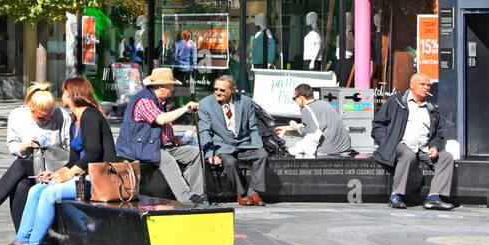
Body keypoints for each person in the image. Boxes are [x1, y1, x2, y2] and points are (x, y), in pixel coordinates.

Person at [0, 76, 117, 245]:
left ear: (72, 94)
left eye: (65, 91)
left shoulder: (90, 115)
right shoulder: (76, 120)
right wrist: (56, 173)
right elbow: (73, 159)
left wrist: (67, 174)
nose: (62, 95)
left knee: (49, 194)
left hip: (100, 180)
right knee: (36, 189)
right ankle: (20, 242)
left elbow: (94, 153)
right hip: (82, 177)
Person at [0, 82, 72, 227]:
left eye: (50, 115)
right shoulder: (17, 115)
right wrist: (26, 145)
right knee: (20, 184)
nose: (47, 120)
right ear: (30, 107)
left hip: (55, 165)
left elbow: (69, 147)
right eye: (41, 118)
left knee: (21, 165)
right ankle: (22, 237)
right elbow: (12, 146)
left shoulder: (62, 116)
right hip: (29, 164)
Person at [116, 66, 205, 204]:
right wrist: (185, 108)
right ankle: (187, 198)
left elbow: (162, 127)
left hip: (161, 145)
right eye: (171, 86)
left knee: (196, 153)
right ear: (162, 87)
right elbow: (161, 119)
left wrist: (174, 139)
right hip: (140, 147)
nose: (173, 89)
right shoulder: (144, 100)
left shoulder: (161, 101)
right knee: (166, 159)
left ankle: (196, 195)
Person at [371, 72, 455, 210]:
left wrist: (434, 145)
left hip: (423, 147)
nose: (426, 88)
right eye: (422, 84)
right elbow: (378, 125)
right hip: (399, 144)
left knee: (446, 157)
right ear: (411, 85)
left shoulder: (431, 108)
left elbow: (438, 133)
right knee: (408, 154)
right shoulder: (396, 101)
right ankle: (395, 195)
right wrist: (387, 142)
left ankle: (433, 197)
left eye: (428, 85)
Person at [197, 73, 267, 205]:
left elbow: (253, 127)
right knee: (230, 162)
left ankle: (254, 193)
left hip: (243, 144)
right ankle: (241, 194)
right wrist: (210, 153)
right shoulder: (205, 104)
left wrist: (258, 146)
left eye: (222, 90)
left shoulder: (245, 102)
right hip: (221, 146)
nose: (218, 92)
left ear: (233, 90)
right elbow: (204, 132)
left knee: (262, 155)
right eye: (215, 89)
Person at [275, 83, 353, 157]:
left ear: (301, 98)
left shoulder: (306, 108)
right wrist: (288, 128)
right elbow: (317, 124)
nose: (295, 101)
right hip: (345, 148)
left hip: (328, 151)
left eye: (294, 98)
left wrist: (296, 130)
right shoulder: (324, 103)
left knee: (293, 150)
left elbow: (312, 131)